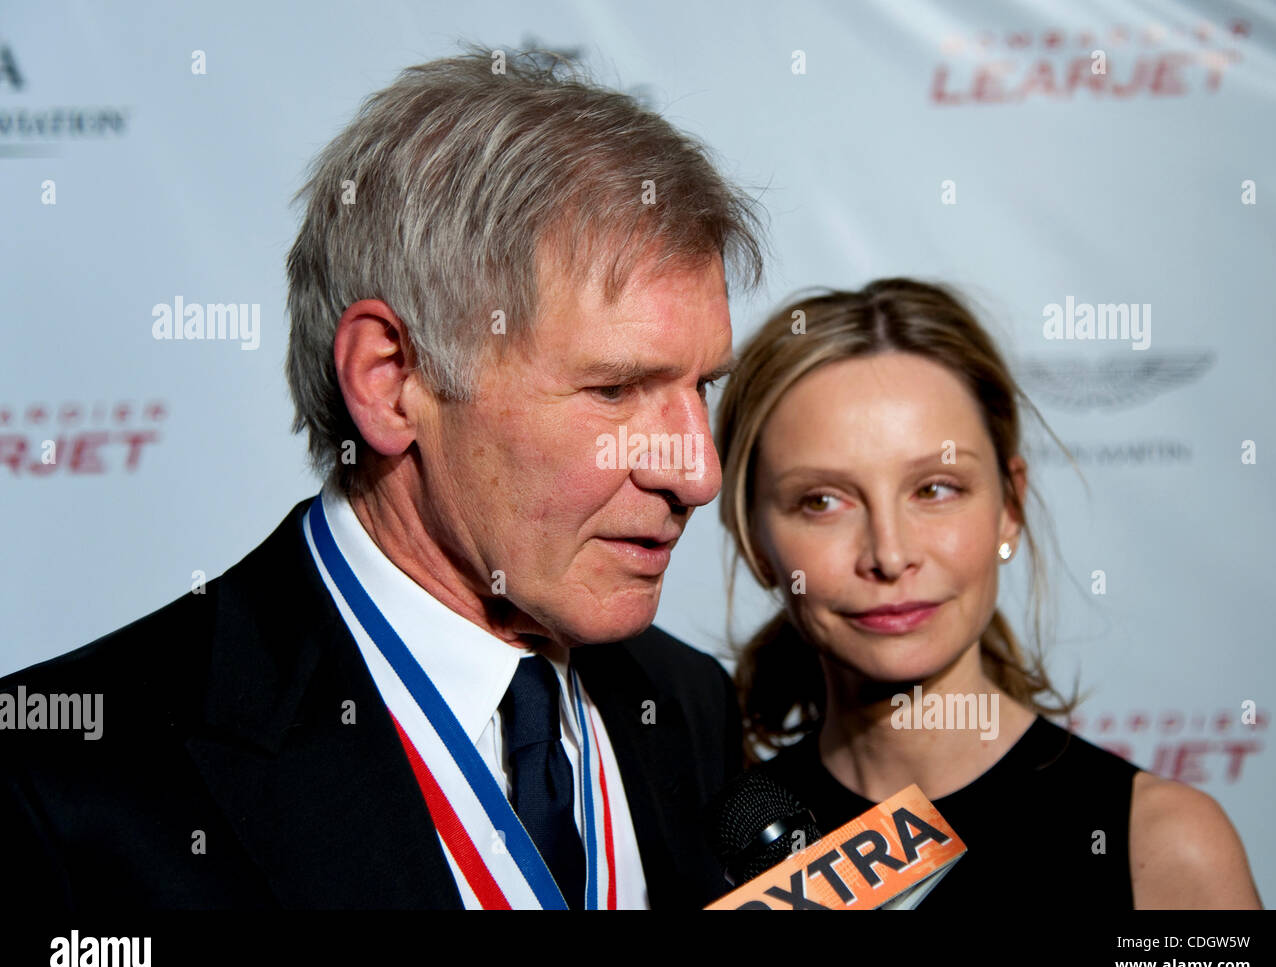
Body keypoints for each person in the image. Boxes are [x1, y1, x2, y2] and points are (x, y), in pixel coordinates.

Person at [0, 47, 764, 910]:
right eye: (615, 390)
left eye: (700, 386)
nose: (698, 473)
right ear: (391, 381)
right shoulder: (61, 783)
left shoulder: (684, 703)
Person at [713, 278, 1261, 908]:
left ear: (1010, 507)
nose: (890, 555)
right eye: (822, 501)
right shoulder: (712, 849)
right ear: (754, 541)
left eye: (936, 489)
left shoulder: (1160, 846)